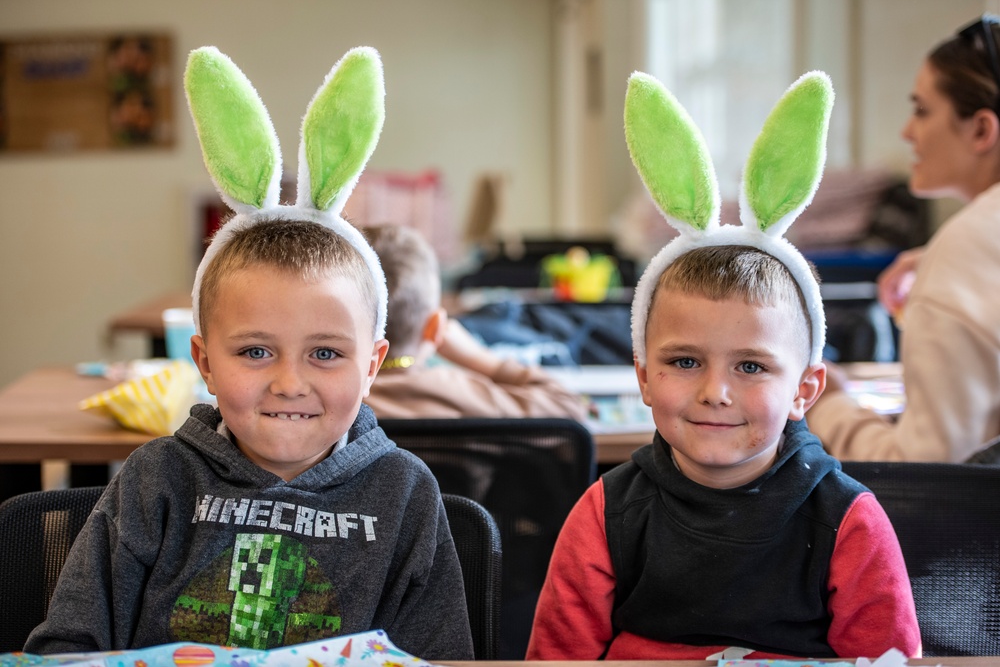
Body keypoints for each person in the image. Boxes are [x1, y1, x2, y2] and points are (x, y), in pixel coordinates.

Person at [24, 46, 473, 659]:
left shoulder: (403, 494)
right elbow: (68, 648)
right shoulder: (156, 480)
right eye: (257, 351)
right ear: (204, 362)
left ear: (372, 366)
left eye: (325, 355)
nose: (290, 383)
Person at [526, 71, 920, 660]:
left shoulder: (848, 522)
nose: (716, 391)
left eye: (753, 367)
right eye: (684, 361)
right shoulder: (605, 514)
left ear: (804, 390)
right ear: (642, 376)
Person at [809, 14, 1000, 462]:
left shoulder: (966, 251)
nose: (907, 132)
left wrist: (830, 403)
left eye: (921, 110)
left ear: (981, 130)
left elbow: (926, 477)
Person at [360, 223, 586, 421]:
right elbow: (569, 407)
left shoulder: (341, 403)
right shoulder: (461, 392)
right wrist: (486, 362)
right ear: (436, 328)